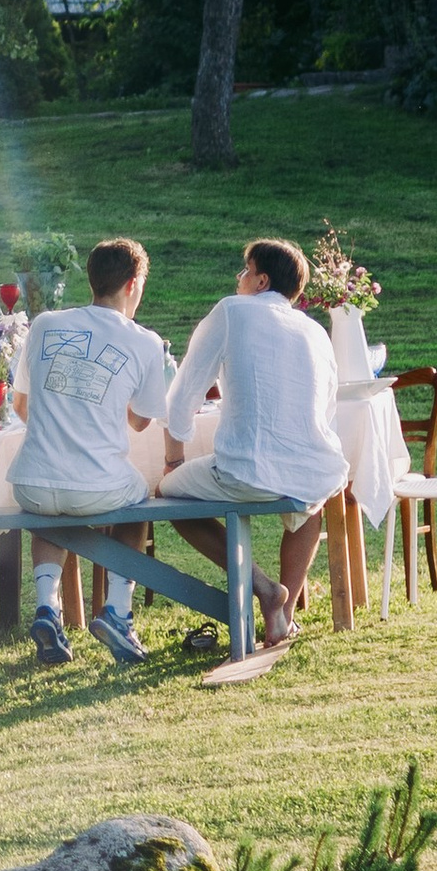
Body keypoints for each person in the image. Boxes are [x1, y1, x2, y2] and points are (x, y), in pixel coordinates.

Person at [157, 237, 347, 647]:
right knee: (309, 505)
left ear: (262, 281)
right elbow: (326, 409)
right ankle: (283, 619)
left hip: (245, 470)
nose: (238, 277)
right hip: (314, 468)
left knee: (169, 496)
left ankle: (264, 588)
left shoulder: (232, 310)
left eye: (245, 270)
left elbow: (182, 395)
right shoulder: (315, 330)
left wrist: (173, 461)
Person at [12, 234, 168, 669]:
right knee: (138, 500)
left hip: (30, 483)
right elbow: (141, 422)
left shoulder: (44, 324)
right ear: (133, 284)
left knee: (50, 503)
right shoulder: (145, 341)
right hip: (96, 486)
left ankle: (48, 606)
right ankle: (117, 609)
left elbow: (21, 406)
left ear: (92, 279)